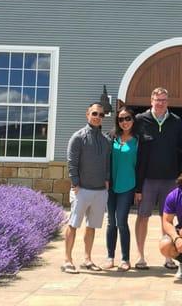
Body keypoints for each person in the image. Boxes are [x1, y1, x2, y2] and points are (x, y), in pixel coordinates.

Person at [134, 87, 182, 270]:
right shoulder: (140, 120)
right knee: (142, 217)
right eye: (157, 99)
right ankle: (140, 257)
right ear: (151, 100)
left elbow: (181, 149)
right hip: (147, 179)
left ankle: (168, 257)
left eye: (164, 99)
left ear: (168, 101)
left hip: (170, 179)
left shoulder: (176, 121)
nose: (160, 103)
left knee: (167, 220)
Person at [62, 102, 111, 274]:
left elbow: (107, 163)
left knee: (91, 226)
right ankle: (67, 260)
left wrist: (106, 180)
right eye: (95, 114)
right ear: (88, 114)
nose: (98, 117)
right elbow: (71, 162)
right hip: (81, 190)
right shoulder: (78, 137)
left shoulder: (106, 140)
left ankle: (87, 259)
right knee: (73, 224)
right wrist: (75, 184)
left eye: (101, 115)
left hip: (99, 191)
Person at [103, 106, 138, 271]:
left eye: (128, 118)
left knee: (122, 222)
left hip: (128, 184)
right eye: (121, 119)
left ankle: (125, 258)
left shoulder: (139, 140)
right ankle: (110, 257)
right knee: (111, 222)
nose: (125, 122)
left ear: (133, 119)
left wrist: (139, 189)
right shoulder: (111, 137)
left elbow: (141, 165)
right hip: (111, 185)